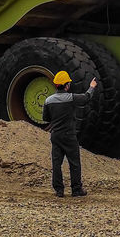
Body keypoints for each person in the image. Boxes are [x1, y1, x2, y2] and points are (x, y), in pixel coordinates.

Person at [42, 70, 97, 199]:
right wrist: (92, 87)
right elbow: (86, 98)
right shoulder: (71, 98)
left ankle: (59, 191)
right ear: (67, 85)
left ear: (56, 85)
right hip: (69, 135)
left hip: (55, 135)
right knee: (74, 163)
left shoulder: (48, 101)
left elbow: (45, 118)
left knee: (57, 163)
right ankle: (76, 190)